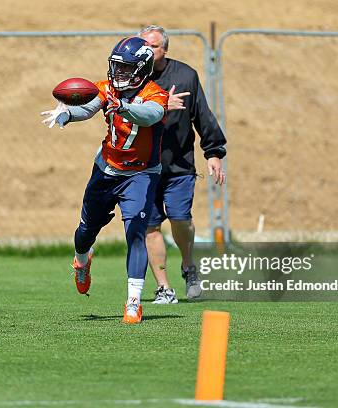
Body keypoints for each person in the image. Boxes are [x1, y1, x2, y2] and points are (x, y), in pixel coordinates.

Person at [40, 36, 169, 324]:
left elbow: (151, 115)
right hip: (106, 170)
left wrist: (123, 108)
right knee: (85, 231)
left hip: (141, 173)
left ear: (142, 69)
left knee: (136, 231)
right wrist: (66, 113)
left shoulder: (155, 94)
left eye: (126, 69)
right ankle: (82, 261)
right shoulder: (107, 87)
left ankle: (134, 302)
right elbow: (88, 107)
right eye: (117, 68)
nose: (119, 74)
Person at [139, 25, 227, 304]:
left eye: (153, 46)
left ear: (165, 49)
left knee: (180, 218)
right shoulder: (130, 76)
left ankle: (189, 267)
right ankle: (164, 288)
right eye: (143, 45)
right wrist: (163, 104)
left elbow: (202, 115)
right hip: (142, 167)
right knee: (150, 227)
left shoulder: (185, 75)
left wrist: (213, 152)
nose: (147, 50)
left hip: (178, 166)